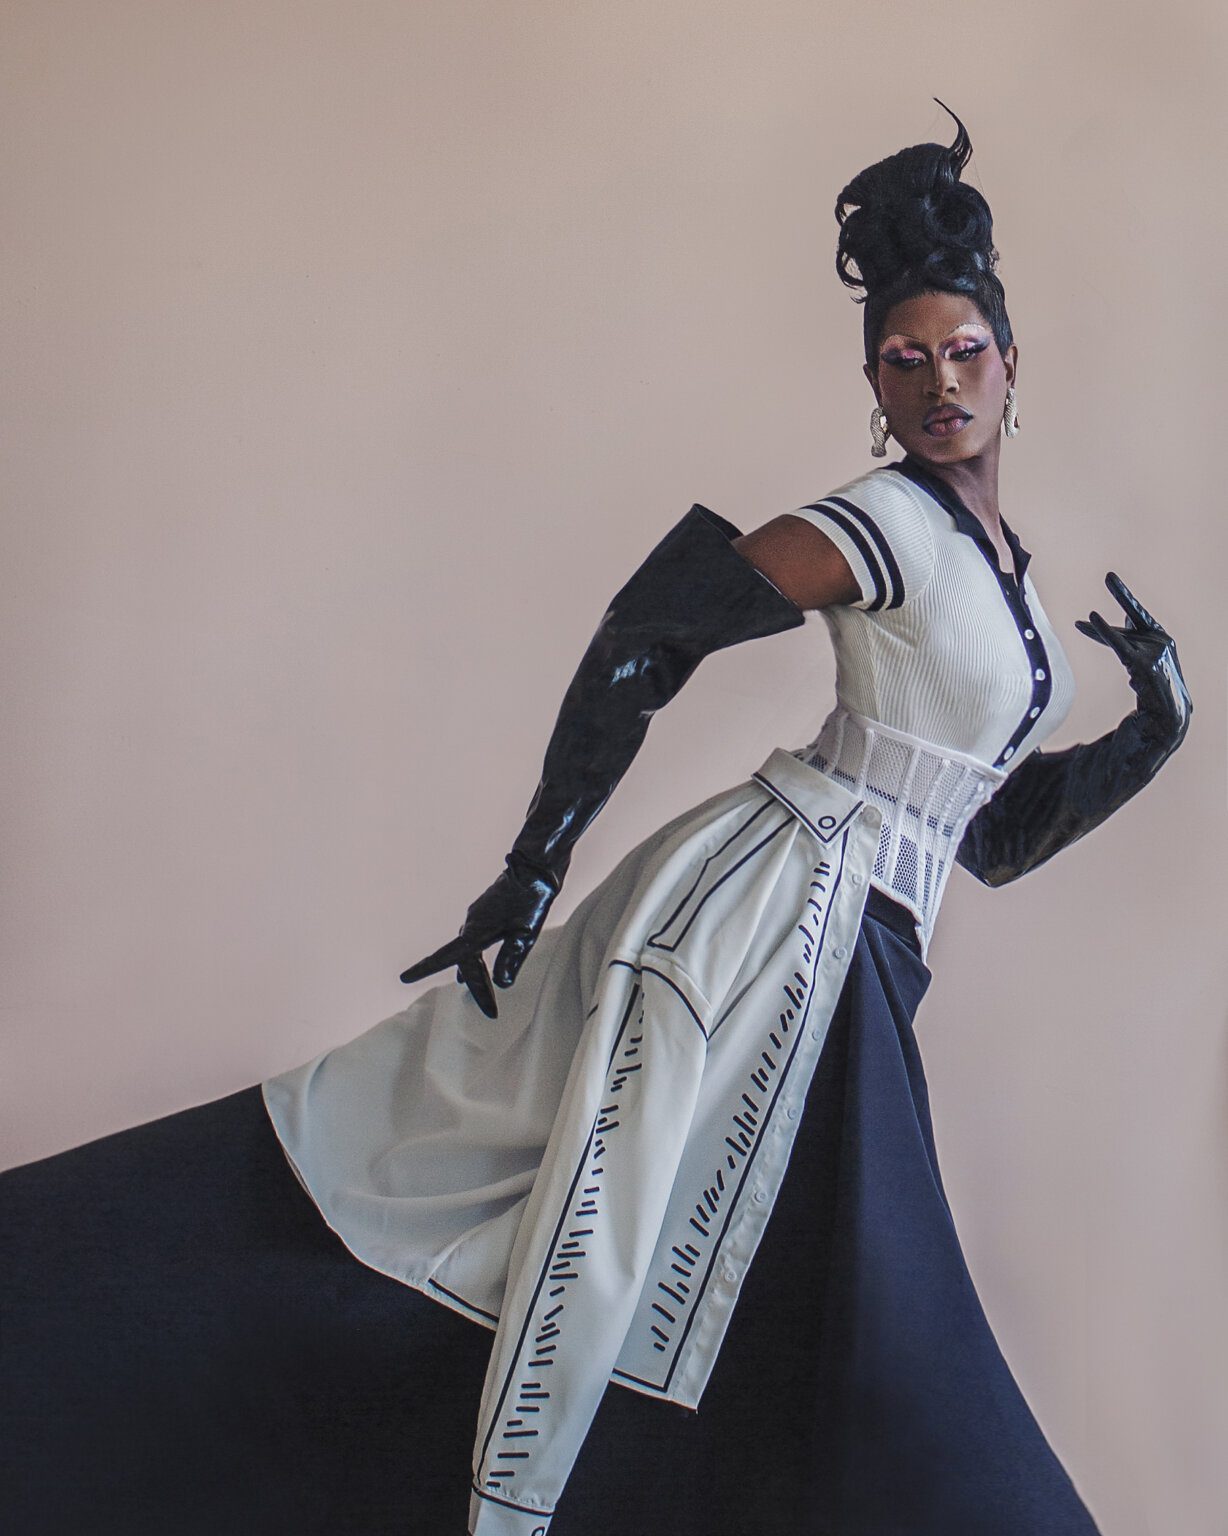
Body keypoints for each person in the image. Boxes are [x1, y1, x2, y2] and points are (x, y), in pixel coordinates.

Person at [0, 101, 1191, 1536]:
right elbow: (648, 634)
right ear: (875, 383)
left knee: (747, 1326)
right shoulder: (885, 524)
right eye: (905, 358)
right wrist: (531, 867)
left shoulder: (1002, 567)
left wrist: (1149, 736)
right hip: (774, 925)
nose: (940, 381)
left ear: (1011, 361)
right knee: (603, 1261)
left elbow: (983, 837)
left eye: (965, 352)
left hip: (868, 954)